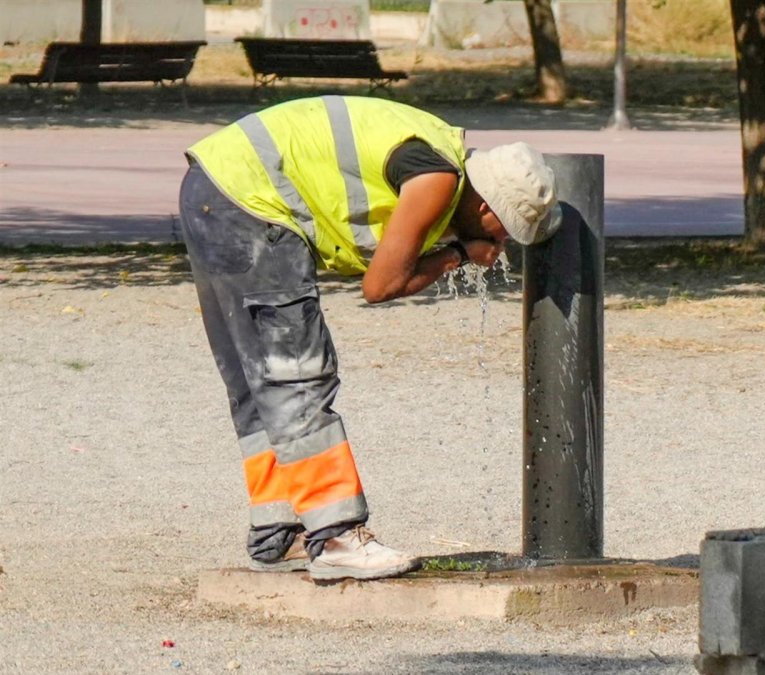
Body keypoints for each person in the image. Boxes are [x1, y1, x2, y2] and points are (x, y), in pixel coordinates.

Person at [178, 96, 561, 581]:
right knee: (294, 373)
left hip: (215, 188)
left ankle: (276, 531)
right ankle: (337, 538)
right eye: (505, 228)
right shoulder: (436, 180)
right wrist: (460, 253)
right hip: (249, 202)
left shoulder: (436, 157)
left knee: (258, 379)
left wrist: (459, 246)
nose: (504, 242)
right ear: (485, 204)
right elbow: (380, 286)